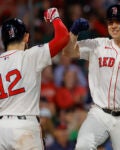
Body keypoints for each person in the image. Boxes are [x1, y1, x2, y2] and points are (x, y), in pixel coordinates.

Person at [63, 3, 120, 150]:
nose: (114, 26)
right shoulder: (99, 44)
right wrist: (74, 33)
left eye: (118, 21)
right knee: (83, 145)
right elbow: (68, 52)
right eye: (110, 22)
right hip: (99, 113)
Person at [0, 7, 69, 150]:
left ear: (3, 41)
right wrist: (55, 17)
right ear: (26, 37)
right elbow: (63, 38)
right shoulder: (31, 56)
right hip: (25, 127)